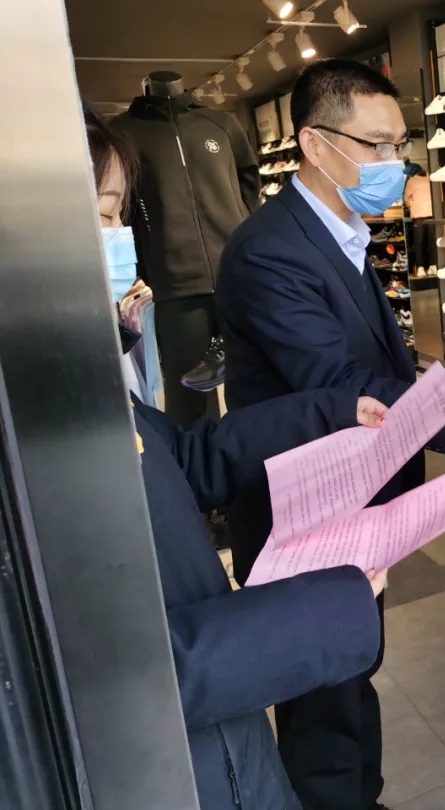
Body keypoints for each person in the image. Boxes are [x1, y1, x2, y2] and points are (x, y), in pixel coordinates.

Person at [216, 60, 445, 810]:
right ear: (315, 144)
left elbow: (373, 364)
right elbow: (340, 385)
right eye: (375, 145)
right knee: (322, 694)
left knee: (352, 668)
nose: (393, 163)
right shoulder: (270, 250)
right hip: (305, 513)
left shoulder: (340, 231)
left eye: (400, 144)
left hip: (353, 501)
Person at [86, 101, 389, 810]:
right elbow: (116, 678)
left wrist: (327, 411)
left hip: (224, 758)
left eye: (118, 214)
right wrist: (327, 607)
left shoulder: (70, 385)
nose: (119, 236)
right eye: (102, 215)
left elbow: (183, 461)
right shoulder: (31, 435)